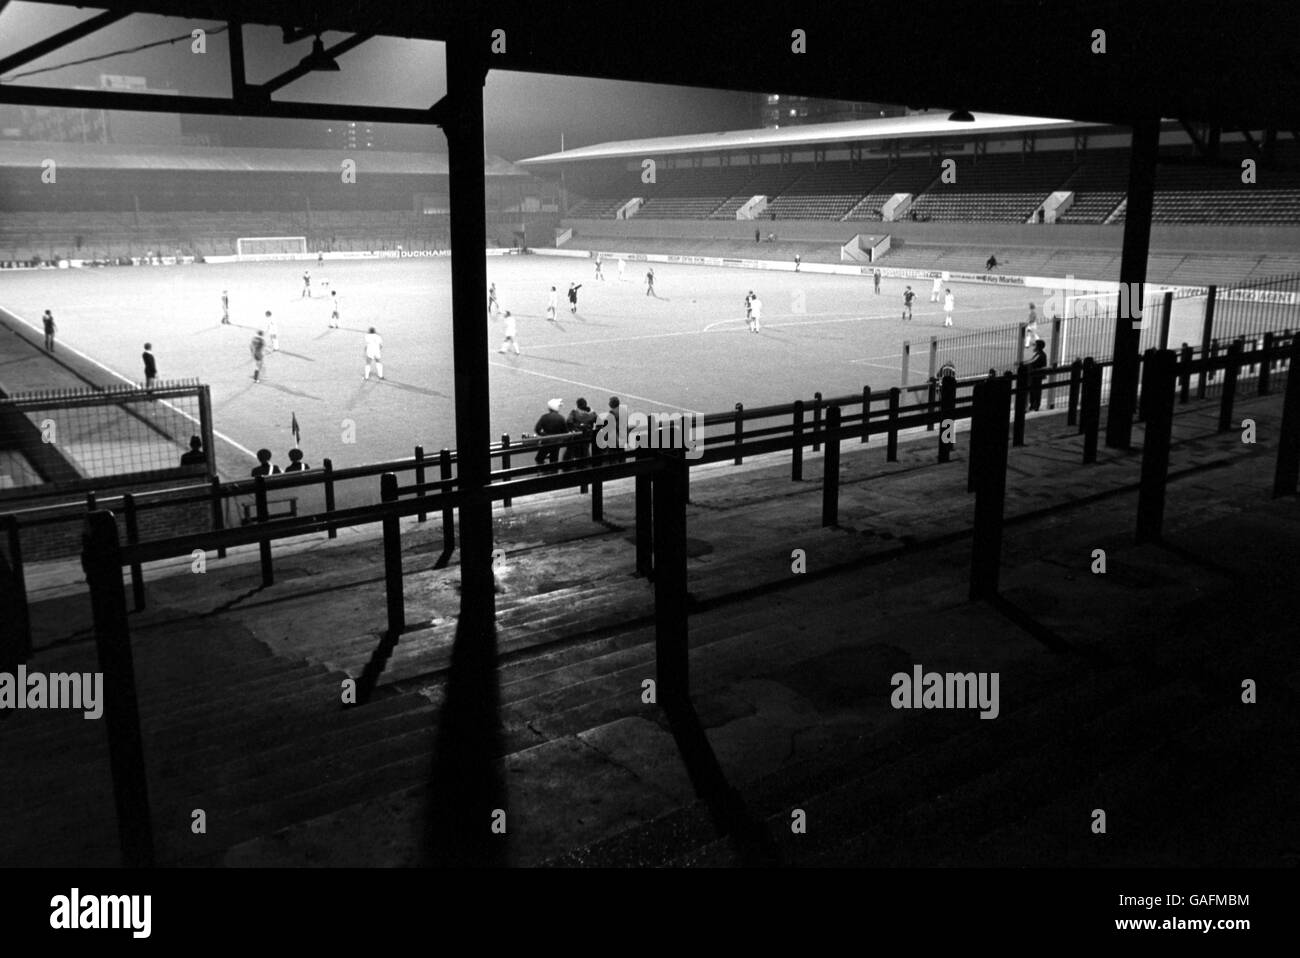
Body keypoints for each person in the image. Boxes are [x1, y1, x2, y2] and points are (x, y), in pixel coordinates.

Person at [533, 398, 567, 470]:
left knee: (539, 458)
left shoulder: (544, 417)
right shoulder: (561, 418)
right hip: (556, 443)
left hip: (546, 441)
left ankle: (542, 472)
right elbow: (565, 432)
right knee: (554, 460)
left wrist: (544, 435)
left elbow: (537, 429)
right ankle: (553, 475)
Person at [564, 397, 598, 468]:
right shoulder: (592, 413)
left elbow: (568, 421)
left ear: (578, 405)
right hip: (588, 435)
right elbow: (600, 422)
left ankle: (578, 466)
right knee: (585, 449)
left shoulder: (574, 412)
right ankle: (586, 466)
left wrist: (573, 429)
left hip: (577, 435)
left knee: (577, 450)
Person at [1025, 339, 1048, 411]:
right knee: (1035, 390)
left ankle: (1034, 405)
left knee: (1035, 391)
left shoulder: (1040, 355)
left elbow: (1031, 361)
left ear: (1038, 346)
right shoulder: (1040, 354)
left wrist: (1021, 363)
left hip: (1036, 376)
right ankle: (1034, 405)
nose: (1033, 346)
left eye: (1035, 345)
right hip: (1037, 375)